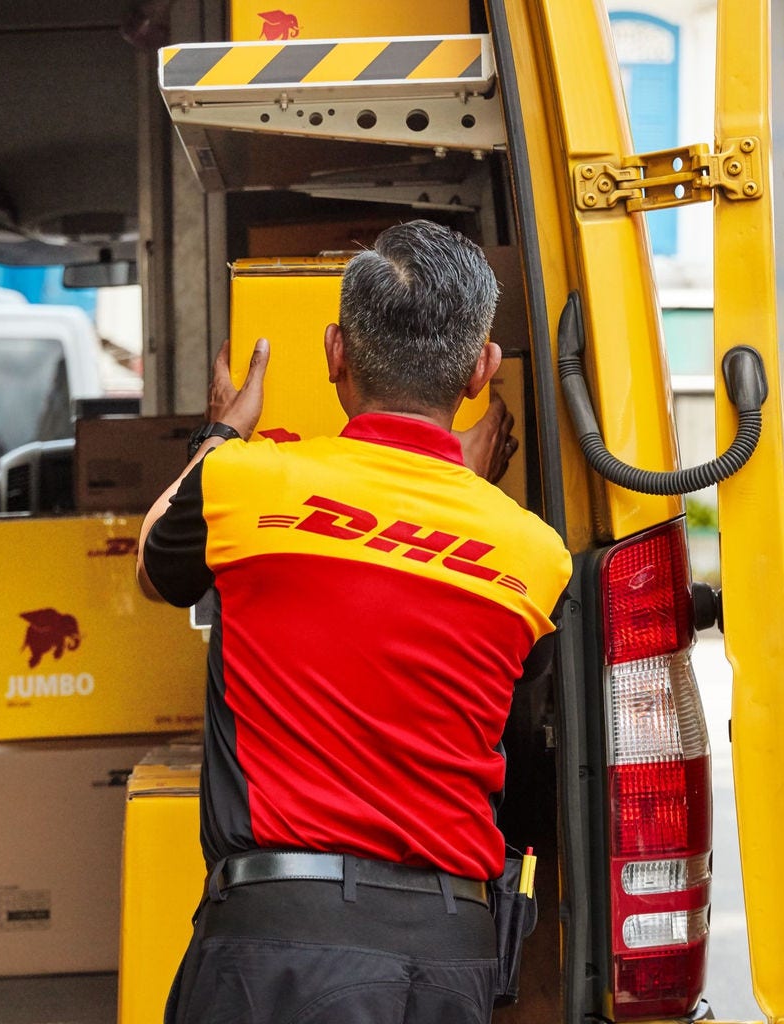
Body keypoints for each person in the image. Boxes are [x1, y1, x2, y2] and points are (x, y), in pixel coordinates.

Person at [135, 221, 572, 1024]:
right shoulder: (535, 557)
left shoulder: (245, 482)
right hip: (454, 957)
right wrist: (469, 493)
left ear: (336, 353)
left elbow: (153, 564)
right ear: (481, 371)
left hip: (281, 951)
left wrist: (222, 430)